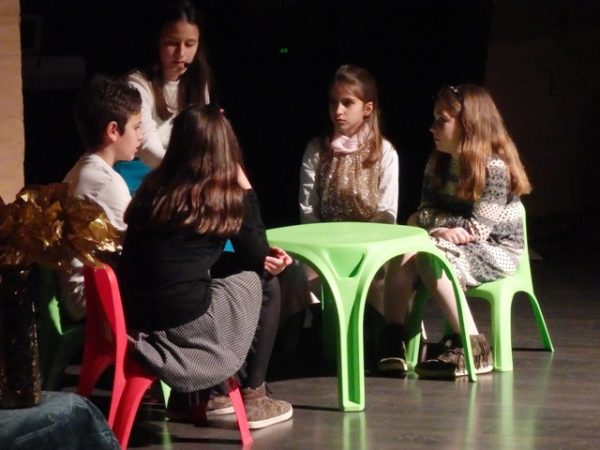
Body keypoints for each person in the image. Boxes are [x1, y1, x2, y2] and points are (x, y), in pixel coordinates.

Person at [117, 104, 294, 429]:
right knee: (266, 281)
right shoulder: (218, 196)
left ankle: (196, 399)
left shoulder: (153, 189)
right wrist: (246, 188)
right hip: (179, 327)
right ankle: (254, 395)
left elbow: (179, 260)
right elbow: (257, 257)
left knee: (216, 275)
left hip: (138, 321)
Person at [379, 84, 532, 379]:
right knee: (403, 251)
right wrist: (438, 228)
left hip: (497, 249)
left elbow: (478, 230)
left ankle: (474, 346)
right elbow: (423, 212)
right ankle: (394, 338)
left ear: (468, 125)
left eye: (442, 120)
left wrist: (435, 226)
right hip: (453, 242)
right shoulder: (439, 160)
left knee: (430, 259)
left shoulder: (494, 167)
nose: (432, 127)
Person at [296, 64, 399, 365]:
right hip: (324, 246)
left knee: (375, 280)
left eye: (347, 103)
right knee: (298, 276)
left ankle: (380, 343)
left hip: (369, 248)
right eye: (333, 102)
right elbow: (308, 209)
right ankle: (321, 334)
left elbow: (387, 213)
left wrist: (361, 249)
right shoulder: (318, 150)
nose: (338, 111)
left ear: (367, 109)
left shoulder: (384, 152)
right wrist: (322, 247)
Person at [58, 74, 142, 322]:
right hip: (90, 297)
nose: (140, 136)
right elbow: (136, 247)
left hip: (83, 292)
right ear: (113, 130)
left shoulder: (82, 169)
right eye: (136, 127)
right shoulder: (104, 182)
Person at [127, 0, 212, 170]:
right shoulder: (138, 84)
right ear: (157, 42)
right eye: (172, 43)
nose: (181, 53)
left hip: (182, 168)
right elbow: (146, 145)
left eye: (189, 44)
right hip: (145, 168)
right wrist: (184, 170)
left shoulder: (198, 81)